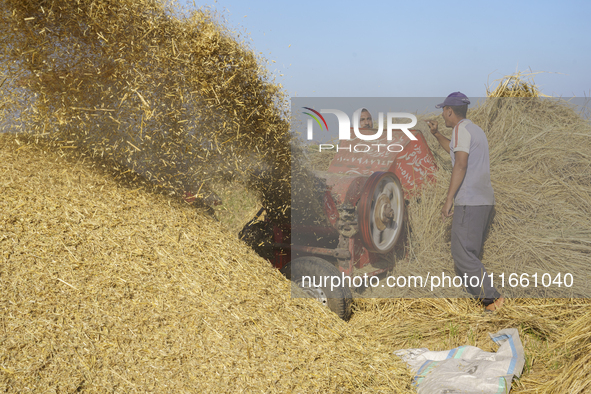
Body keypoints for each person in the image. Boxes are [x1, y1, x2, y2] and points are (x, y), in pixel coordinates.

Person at [426, 92, 504, 312]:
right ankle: (486, 301)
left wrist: (448, 199)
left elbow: (460, 164)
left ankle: (493, 300)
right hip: (484, 200)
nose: (442, 114)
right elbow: (455, 150)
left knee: (462, 254)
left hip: (469, 201)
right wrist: (436, 134)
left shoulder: (461, 130)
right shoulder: (474, 130)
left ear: (449, 111)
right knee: (471, 253)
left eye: (443, 110)